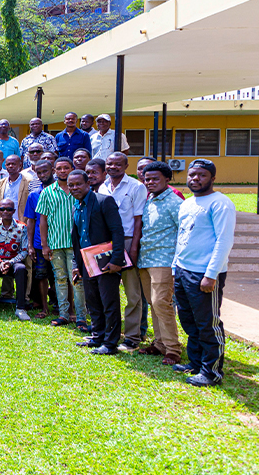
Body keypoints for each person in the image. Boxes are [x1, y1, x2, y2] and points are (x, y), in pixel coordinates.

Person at [172, 159, 237, 386]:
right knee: (189, 320)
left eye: (201, 175)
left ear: (212, 178)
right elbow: (181, 237)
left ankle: (212, 372)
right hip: (183, 270)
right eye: (192, 175)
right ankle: (196, 363)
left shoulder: (221, 203)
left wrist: (211, 275)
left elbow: (224, 240)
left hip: (204, 274)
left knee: (207, 323)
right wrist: (175, 267)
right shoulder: (187, 203)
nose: (195, 179)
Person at [68, 170, 126, 356]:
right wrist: (77, 264)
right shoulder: (77, 206)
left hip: (106, 261)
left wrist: (117, 260)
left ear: (88, 184)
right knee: (92, 300)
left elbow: (117, 231)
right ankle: (97, 336)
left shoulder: (104, 201)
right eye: (71, 185)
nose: (74, 188)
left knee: (109, 302)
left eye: (78, 184)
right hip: (86, 261)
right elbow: (77, 239)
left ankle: (110, 343)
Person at [99, 152, 147, 351]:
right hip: (106, 244)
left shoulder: (136, 187)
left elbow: (138, 220)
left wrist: (134, 248)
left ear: (126, 166)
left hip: (127, 241)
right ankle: (110, 332)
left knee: (132, 293)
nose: (113, 167)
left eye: (118, 164)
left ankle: (132, 337)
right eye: (110, 163)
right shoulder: (102, 186)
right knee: (108, 291)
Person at [136, 161, 183, 365]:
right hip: (145, 259)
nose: (150, 182)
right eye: (147, 179)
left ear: (167, 179)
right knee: (153, 303)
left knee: (161, 303)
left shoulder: (175, 202)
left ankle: (173, 349)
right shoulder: (149, 200)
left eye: (155, 179)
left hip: (164, 260)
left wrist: (176, 263)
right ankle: (159, 343)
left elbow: (184, 232)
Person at [36, 157, 88, 329]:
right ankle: (64, 314)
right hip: (56, 243)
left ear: (72, 169)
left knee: (77, 280)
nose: (63, 171)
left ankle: (81, 316)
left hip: (76, 244)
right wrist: (44, 245)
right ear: (54, 171)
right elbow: (42, 220)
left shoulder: (79, 191)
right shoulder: (47, 192)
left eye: (66, 168)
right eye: (59, 168)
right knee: (60, 279)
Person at [0, 199, 30, 320]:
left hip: (14, 259)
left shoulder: (22, 227)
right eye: (2, 209)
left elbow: (24, 250)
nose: (5, 211)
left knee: (21, 269)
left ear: (14, 211)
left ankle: (21, 308)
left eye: (9, 209)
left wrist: (9, 262)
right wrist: (0, 262)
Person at [23, 160, 54, 318]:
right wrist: (30, 245)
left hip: (59, 241)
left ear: (52, 170)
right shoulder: (34, 195)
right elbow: (30, 220)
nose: (42, 175)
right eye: (39, 173)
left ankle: (61, 306)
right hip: (38, 242)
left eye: (45, 171)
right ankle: (44, 307)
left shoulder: (64, 192)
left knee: (60, 276)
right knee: (41, 275)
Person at [0, 155, 30, 223]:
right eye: (8, 164)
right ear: (5, 166)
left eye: (13, 164)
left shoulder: (28, 182)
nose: (10, 166)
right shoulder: (1, 183)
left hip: (22, 223)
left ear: (20, 165)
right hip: (4, 223)